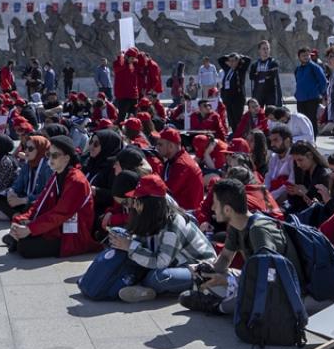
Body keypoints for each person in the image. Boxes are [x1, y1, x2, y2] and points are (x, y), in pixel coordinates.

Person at [178, 178, 302, 315]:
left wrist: (228, 280)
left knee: (236, 299)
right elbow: (225, 256)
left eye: (215, 203)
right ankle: (221, 298)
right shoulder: (236, 225)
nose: (212, 208)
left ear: (227, 209)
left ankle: (216, 306)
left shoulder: (258, 231)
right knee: (215, 279)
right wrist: (207, 271)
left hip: (284, 287)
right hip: (261, 277)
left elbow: (269, 277)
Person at [107, 173, 217, 302]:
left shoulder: (173, 225)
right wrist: (126, 243)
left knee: (158, 278)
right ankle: (143, 287)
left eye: (137, 200)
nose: (133, 204)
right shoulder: (152, 215)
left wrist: (130, 246)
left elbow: (160, 262)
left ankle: (144, 288)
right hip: (173, 261)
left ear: (150, 203)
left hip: (197, 267)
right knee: (118, 233)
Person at [5, 136, 97, 258]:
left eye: (55, 155)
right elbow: (40, 202)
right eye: (49, 154)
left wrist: (30, 229)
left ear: (66, 158)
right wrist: (22, 220)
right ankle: (17, 237)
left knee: (25, 247)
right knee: (21, 223)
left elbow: (60, 213)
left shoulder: (76, 181)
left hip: (73, 233)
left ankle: (17, 239)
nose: (50, 159)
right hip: (59, 226)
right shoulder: (57, 174)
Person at [0, 135, 53, 220]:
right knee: (0, 196)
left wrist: (23, 200)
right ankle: (17, 216)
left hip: (35, 201)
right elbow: (17, 184)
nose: (26, 151)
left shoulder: (48, 167)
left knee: (32, 204)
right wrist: (11, 192)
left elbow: (47, 194)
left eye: (30, 148)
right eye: (25, 147)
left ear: (40, 149)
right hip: (24, 197)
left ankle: (16, 215)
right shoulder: (28, 163)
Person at [156, 127, 203, 214]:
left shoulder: (181, 164)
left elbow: (165, 192)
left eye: (160, 144)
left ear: (171, 146)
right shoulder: (174, 159)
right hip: (180, 210)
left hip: (188, 215)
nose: (157, 147)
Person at [217, 51, 251, 135]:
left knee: (237, 119)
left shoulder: (240, 69)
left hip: (237, 99)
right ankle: (235, 134)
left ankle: (240, 135)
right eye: (230, 61)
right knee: (231, 119)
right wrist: (229, 56)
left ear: (238, 61)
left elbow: (248, 60)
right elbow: (220, 60)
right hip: (228, 99)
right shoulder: (227, 69)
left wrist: (238, 56)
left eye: (234, 61)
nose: (232, 63)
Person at [293, 47, 327, 131]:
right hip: (300, 99)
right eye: (303, 55)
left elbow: (323, 81)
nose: (306, 57)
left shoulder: (314, 67)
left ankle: (312, 140)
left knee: (311, 120)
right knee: (301, 120)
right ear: (299, 57)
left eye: (307, 55)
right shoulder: (298, 69)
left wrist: (321, 93)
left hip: (312, 98)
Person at [250, 40, 283, 108]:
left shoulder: (273, 63)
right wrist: (265, 74)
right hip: (258, 94)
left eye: (267, 48)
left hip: (270, 93)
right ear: (259, 50)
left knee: (270, 114)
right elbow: (251, 77)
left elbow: (272, 75)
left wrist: (259, 74)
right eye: (264, 48)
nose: (266, 51)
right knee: (259, 115)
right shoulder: (255, 65)